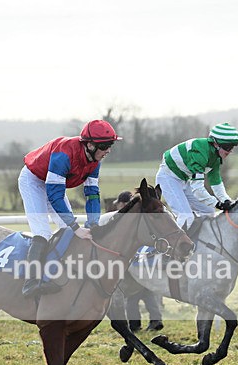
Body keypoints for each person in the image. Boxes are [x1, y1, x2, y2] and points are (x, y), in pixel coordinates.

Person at [18, 119, 121, 297]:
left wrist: (93, 223)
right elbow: (54, 195)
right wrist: (75, 227)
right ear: (89, 145)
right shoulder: (64, 154)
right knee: (43, 232)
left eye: (110, 145)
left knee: (67, 231)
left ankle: (61, 274)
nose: (108, 150)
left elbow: (92, 194)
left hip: (53, 184)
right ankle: (31, 283)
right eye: (104, 146)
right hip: (33, 180)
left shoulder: (95, 161)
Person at [155, 122, 238, 229]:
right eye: (228, 147)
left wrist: (226, 200)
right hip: (168, 178)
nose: (230, 151)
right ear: (215, 144)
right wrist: (217, 204)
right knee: (186, 217)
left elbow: (216, 182)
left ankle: (198, 243)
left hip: (184, 180)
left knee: (208, 211)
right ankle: (169, 244)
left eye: (232, 147)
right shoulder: (200, 153)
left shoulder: (215, 156)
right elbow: (198, 189)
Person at [110, 190, 164, 332]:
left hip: (132, 261)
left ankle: (135, 325)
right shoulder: (143, 218)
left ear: (123, 204)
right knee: (147, 291)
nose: (117, 207)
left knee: (132, 297)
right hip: (147, 261)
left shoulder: (123, 219)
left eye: (118, 204)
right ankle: (156, 319)